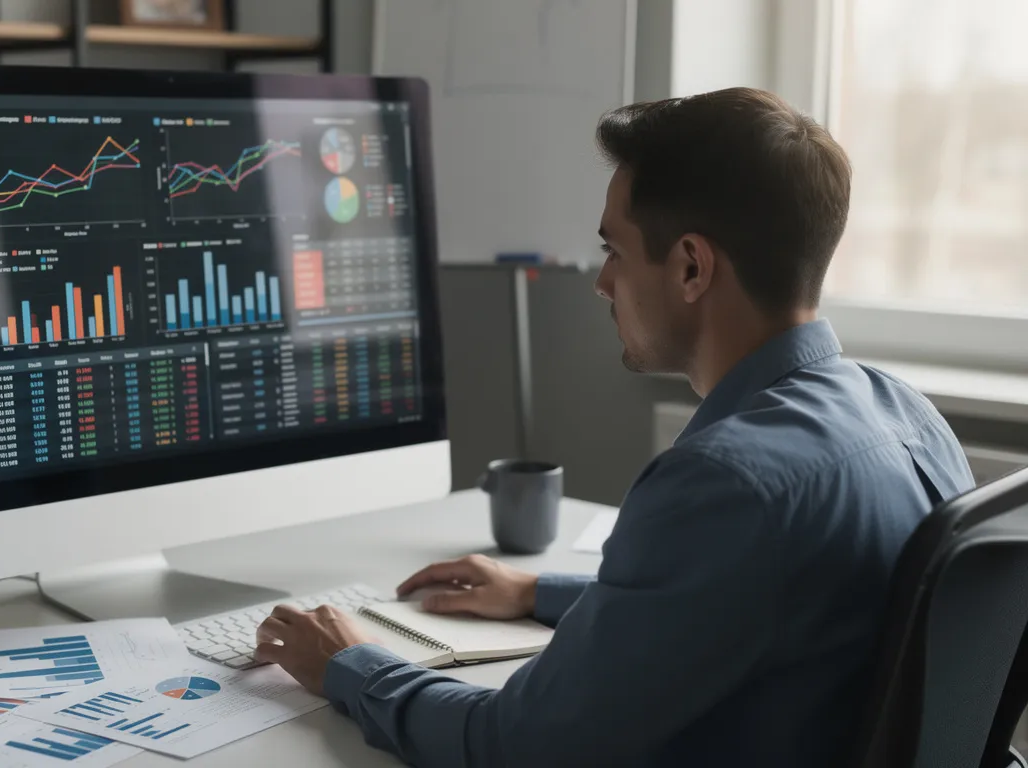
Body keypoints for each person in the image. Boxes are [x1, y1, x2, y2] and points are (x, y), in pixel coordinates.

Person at [252, 87, 976, 767]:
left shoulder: (725, 483)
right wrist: (536, 593)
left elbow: (514, 746)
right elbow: (738, 603)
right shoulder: (909, 415)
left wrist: (349, 664)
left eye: (614, 251)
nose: (602, 283)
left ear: (691, 268)